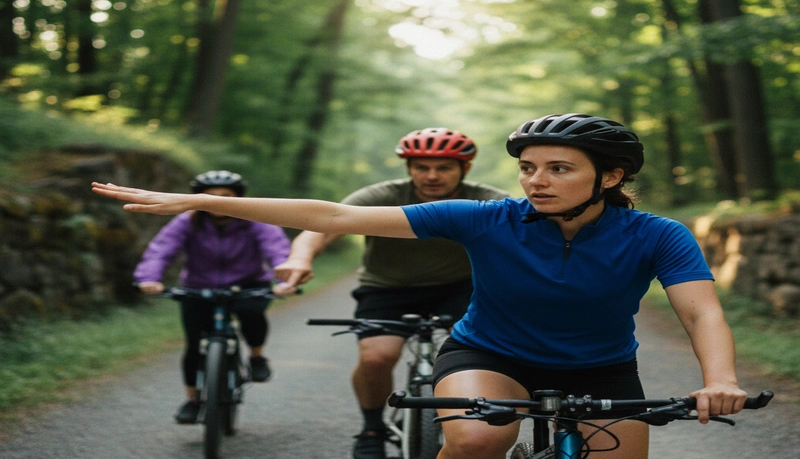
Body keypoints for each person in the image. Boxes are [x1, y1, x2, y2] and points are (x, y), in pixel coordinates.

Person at [93, 113, 748, 458]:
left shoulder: (658, 234)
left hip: (603, 369)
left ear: (609, 177)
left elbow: (701, 314)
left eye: (558, 168)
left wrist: (719, 380)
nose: (535, 180)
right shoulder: (487, 218)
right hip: (491, 357)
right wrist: (200, 201)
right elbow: (335, 216)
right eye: (526, 167)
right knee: (476, 439)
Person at [274, 128, 509, 459]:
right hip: (387, 288)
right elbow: (324, 225)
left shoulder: (486, 197)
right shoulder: (382, 195)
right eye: (421, 168)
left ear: (464, 169)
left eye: (444, 168)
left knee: (477, 358)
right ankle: (372, 428)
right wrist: (300, 257)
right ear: (408, 168)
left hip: (462, 288)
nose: (431, 176)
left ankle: (464, 425)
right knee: (376, 357)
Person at [132, 170, 295, 425]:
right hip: (199, 288)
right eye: (209, 196)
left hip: (249, 284)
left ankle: (256, 356)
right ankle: (193, 399)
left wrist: (285, 281)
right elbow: (161, 250)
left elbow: (277, 250)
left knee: (252, 314)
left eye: (225, 196)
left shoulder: (256, 221)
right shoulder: (187, 221)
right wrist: (148, 278)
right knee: (194, 345)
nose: (217, 201)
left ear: (238, 198)